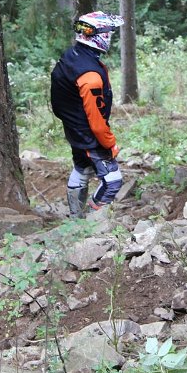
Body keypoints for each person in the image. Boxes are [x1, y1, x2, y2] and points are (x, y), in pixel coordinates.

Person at [50, 11, 125, 218]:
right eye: (109, 33)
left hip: (73, 128)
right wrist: (109, 143)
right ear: (100, 36)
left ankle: (75, 219)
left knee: (82, 169)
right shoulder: (90, 75)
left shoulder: (71, 56)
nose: (111, 36)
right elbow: (97, 121)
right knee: (113, 181)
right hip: (89, 134)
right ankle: (91, 221)